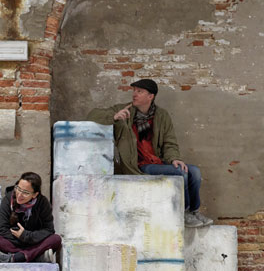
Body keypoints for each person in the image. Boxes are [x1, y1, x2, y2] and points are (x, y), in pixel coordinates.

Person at [86, 78, 213, 228]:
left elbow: (169, 142)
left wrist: (174, 158)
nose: (134, 94)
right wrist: (113, 117)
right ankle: (184, 213)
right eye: (134, 90)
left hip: (157, 161)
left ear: (150, 96)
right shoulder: (124, 110)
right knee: (181, 173)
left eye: (139, 91)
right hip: (138, 165)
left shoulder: (162, 115)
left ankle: (194, 211)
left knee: (194, 171)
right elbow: (92, 115)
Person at [0, 172, 62, 263]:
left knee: (55, 239)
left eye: (25, 192)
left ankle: (15, 257)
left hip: (34, 242)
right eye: (18, 189)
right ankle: (34, 256)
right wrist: (21, 238)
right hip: (15, 242)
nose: (19, 195)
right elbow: (2, 229)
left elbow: (49, 230)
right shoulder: (8, 200)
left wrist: (26, 236)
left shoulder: (43, 203)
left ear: (34, 194)